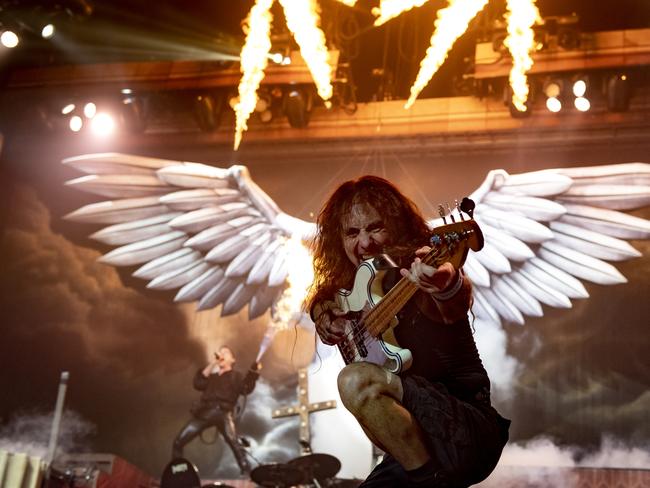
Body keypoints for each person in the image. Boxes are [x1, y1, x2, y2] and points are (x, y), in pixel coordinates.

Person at [307, 176, 510, 487]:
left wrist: (446, 285)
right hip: (416, 445)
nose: (364, 243)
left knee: (354, 379)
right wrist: (320, 313)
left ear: (397, 225)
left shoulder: (416, 265)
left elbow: (454, 300)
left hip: (463, 430)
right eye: (352, 232)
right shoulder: (356, 285)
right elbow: (326, 298)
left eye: (375, 227)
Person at [172, 345, 260, 475]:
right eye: (221, 352)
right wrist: (214, 362)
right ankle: (178, 474)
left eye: (226, 352)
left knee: (235, 445)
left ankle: (248, 475)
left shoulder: (236, 376)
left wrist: (253, 373)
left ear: (233, 360)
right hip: (205, 413)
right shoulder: (212, 377)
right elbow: (198, 383)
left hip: (224, 413)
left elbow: (245, 388)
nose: (222, 354)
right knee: (178, 442)